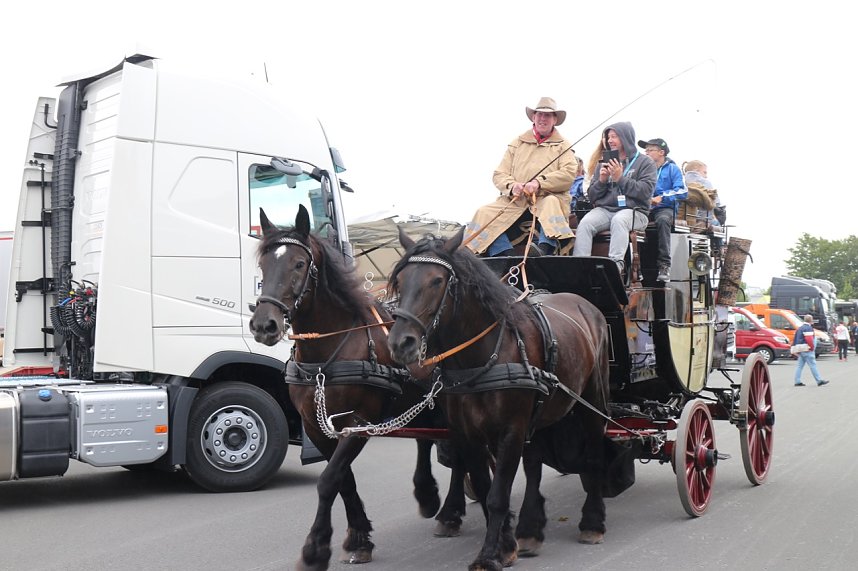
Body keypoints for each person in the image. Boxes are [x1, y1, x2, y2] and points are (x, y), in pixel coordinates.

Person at [465, 97, 576, 257]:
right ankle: (502, 253)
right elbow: (499, 174)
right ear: (533, 117)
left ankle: (545, 249)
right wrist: (512, 186)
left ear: (555, 119)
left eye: (548, 116)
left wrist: (539, 183)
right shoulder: (517, 143)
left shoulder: (563, 145)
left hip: (545, 199)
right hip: (516, 202)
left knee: (551, 203)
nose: (542, 119)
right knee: (483, 212)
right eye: (539, 115)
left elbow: (568, 174)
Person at [572, 122, 657, 274]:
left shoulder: (645, 162)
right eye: (608, 137)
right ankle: (580, 268)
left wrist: (620, 178)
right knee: (585, 223)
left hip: (635, 212)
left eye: (614, 136)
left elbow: (645, 192)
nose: (610, 140)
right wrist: (602, 181)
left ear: (626, 137)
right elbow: (592, 196)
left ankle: (615, 267)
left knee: (620, 220)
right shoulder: (604, 162)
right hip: (606, 210)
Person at [638, 138, 686, 282]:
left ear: (661, 152)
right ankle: (636, 267)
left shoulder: (673, 169)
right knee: (631, 220)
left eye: (650, 150)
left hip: (664, 208)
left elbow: (682, 191)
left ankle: (664, 265)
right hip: (645, 207)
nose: (646, 153)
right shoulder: (643, 169)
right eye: (645, 150)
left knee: (664, 220)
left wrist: (662, 197)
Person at [793, 314, 829, 387]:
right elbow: (809, 339)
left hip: (801, 349)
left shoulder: (800, 328)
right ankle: (819, 380)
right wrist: (812, 347)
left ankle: (797, 381)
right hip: (807, 349)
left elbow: (795, 339)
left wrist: (795, 349)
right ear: (811, 321)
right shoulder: (808, 328)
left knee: (799, 366)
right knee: (813, 365)